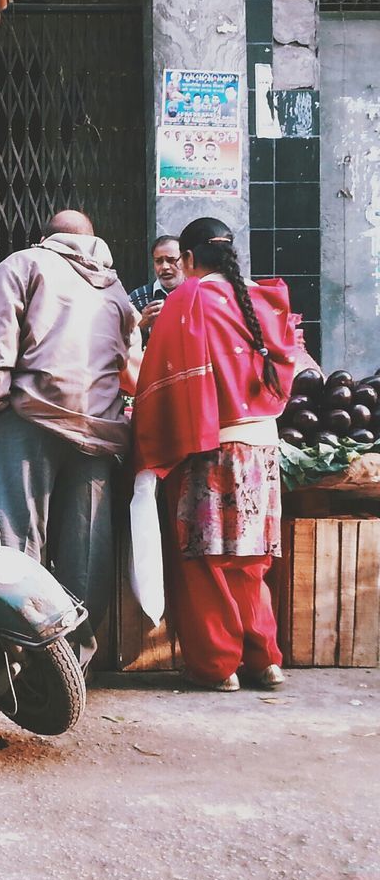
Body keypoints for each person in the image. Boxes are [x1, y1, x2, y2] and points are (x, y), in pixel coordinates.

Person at [0, 209, 137, 671]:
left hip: (30, 421)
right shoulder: (116, 288)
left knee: (17, 541)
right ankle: (71, 662)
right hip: (99, 429)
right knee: (87, 548)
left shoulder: (24, 264)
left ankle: (14, 655)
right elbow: (129, 365)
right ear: (93, 241)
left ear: (47, 238)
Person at [130, 217, 297, 691]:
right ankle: (266, 661)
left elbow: (158, 380)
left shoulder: (189, 298)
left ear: (187, 260)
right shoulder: (260, 299)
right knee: (251, 559)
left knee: (205, 561)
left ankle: (217, 667)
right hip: (263, 449)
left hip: (209, 447)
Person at [128, 236, 184, 339]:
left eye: (171, 260)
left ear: (185, 261)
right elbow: (121, 343)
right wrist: (141, 325)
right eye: (158, 261)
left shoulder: (197, 295)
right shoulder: (138, 298)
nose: (164, 267)